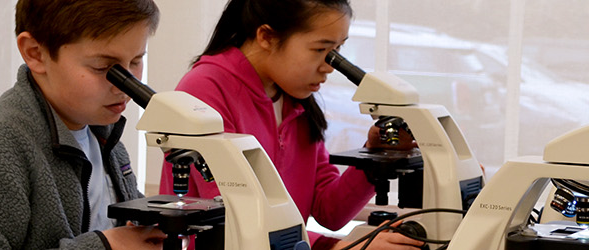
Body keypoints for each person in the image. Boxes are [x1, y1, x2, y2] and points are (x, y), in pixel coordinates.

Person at [160, 0, 424, 249]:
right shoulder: (205, 90)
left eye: (337, 51)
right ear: (267, 37)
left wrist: (378, 154)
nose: (329, 67)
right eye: (320, 50)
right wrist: (338, 247)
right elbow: (236, 215)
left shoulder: (295, 99)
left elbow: (329, 210)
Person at [0, 0, 164, 249]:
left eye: (136, 62)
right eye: (103, 67)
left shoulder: (102, 137)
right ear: (35, 53)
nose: (126, 84)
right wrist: (101, 247)